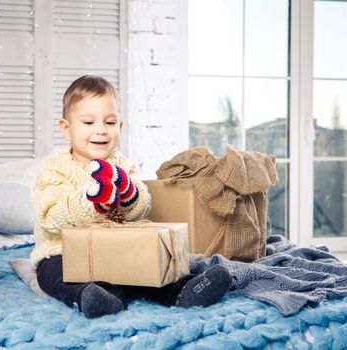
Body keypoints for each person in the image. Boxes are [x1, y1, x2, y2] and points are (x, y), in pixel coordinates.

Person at [31, 75, 232, 318]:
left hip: (117, 250)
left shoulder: (123, 165)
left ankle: (184, 289)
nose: (101, 130)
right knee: (53, 274)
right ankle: (91, 296)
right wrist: (92, 200)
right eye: (88, 122)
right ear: (66, 128)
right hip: (64, 252)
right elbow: (50, 215)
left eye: (110, 122)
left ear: (120, 127)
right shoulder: (55, 168)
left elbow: (143, 207)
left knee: (145, 266)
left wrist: (129, 193)